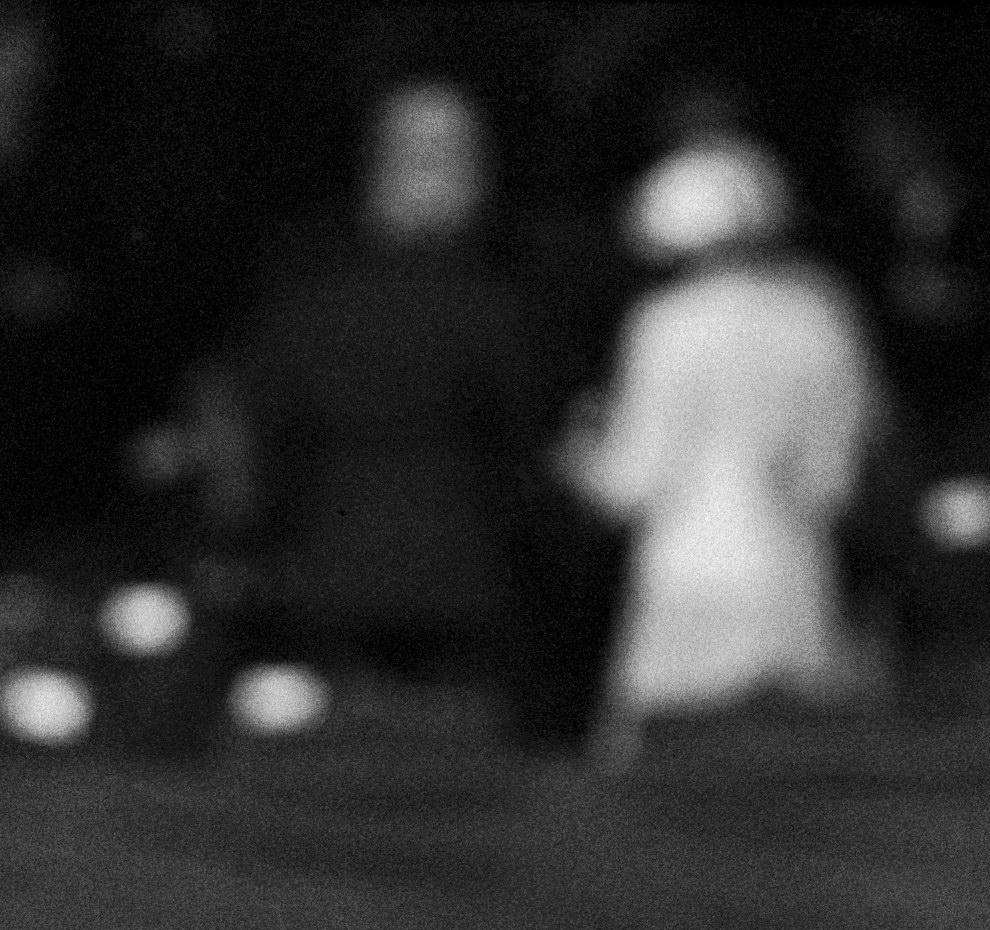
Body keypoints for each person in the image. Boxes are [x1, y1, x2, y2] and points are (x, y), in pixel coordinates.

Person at [221, 78, 548, 682]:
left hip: (338, 566)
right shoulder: (495, 304)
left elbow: (267, 430)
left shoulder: (312, 293)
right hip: (453, 573)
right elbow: (524, 441)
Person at [572, 136, 878, 727]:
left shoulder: (667, 325)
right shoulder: (820, 317)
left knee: (673, 787)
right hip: (794, 584)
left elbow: (632, 480)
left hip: (686, 588)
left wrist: (580, 461)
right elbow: (834, 478)